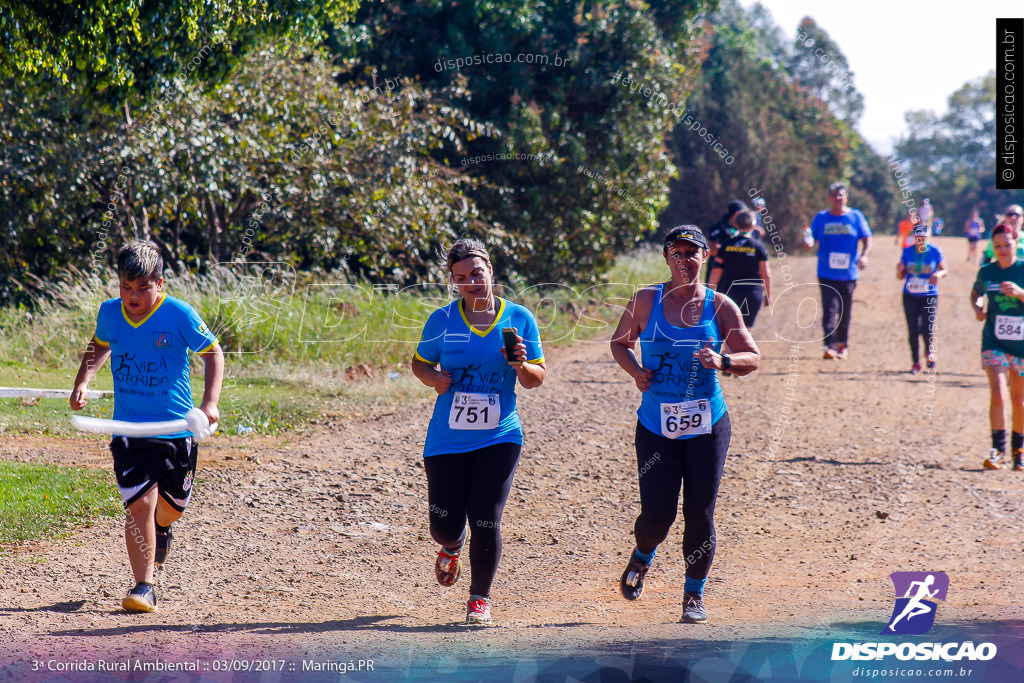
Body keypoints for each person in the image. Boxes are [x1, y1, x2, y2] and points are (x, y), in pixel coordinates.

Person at [609, 225, 760, 624]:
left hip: (708, 425)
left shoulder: (720, 305)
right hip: (657, 425)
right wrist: (636, 371)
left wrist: (724, 362)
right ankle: (643, 556)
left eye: (691, 253)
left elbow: (752, 356)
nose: (684, 260)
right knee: (657, 516)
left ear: (704, 257)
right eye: (676, 252)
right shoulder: (645, 300)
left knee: (700, 512)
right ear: (666, 258)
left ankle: (693, 594)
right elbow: (619, 343)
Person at [70, 241, 223, 612]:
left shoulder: (178, 314)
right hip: (129, 430)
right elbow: (99, 346)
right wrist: (83, 380)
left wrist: (210, 404)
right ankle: (143, 586)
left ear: (159, 282)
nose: (133, 295)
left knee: (170, 508)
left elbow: (212, 352)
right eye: (126, 286)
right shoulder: (110, 313)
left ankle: (164, 527)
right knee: (140, 505)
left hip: (176, 431)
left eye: (142, 287)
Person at [410, 238, 546, 624]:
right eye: (462, 278)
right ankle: (452, 545)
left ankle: (479, 599)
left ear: (490, 270)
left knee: (486, 516)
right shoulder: (442, 320)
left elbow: (536, 379)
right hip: (446, 438)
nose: (471, 282)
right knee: (443, 525)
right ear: (454, 282)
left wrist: (520, 365)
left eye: (477, 273)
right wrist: (434, 377)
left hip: (499, 436)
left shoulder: (519, 318)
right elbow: (419, 364)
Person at [971, 223, 1024, 471]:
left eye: (1007, 244)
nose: (1002, 250)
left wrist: (1020, 293)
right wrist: (978, 306)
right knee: (998, 391)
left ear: (1016, 242)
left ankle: (1019, 453)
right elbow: (976, 293)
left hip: (1021, 346)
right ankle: (998, 453)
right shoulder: (987, 272)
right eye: (998, 246)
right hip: (993, 341)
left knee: (1019, 399)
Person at [804, 182, 872, 359]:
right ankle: (829, 346)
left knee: (845, 310)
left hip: (849, 273)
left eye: (841, 195)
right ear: (829, 198)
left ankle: (842, 344)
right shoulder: (821, 217)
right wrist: (807, 242)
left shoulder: (856, 216)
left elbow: (867, 238)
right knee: (830, 309)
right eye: (834, 195)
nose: (838, 199)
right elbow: (811, 238)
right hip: (826, 271)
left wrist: (864, 256)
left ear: (846, 197)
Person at [708, 210, 773, 329]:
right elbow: (766, 274)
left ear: (736, 225)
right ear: (753, 225)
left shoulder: (726, 245)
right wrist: (768, 295)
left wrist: (709, 294)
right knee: (745, 332)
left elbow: (716, 271)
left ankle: (729, 349)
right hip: (752, 294)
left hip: (728, 292)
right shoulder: (758, 246)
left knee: (729, 330)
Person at [897, 225, 946, 373]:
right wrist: (899, 270)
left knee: (928, 327)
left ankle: (929, 353)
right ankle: (915, 362)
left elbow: (944, 269)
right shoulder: (907, 252)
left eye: (924, 237)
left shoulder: (935, 251)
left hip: (929, 295)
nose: (921, 240)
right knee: (912, 329)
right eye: (918, 237)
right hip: (910, 295)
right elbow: (899, 275)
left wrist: (938, 274)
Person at [704, 200, 746, 281]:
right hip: (717, 269)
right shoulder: (719, 227)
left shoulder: (741, 229)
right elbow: (713, 249)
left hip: (733, 270)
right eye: (740, 213)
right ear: (734, 213)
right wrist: (733, 251)